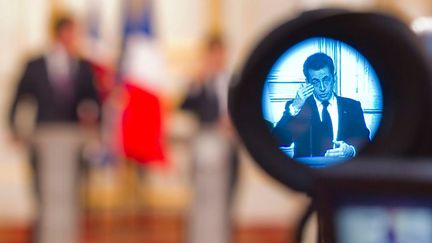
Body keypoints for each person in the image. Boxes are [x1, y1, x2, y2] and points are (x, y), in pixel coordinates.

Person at [9, 15, 100, 243]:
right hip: (44, 140)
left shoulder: (83, 66)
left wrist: (93, 118)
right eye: (70, 33)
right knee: (45, 196)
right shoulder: (35, 65)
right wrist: (15, 129)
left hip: (71, 142)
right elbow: (19, 99)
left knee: (70, 196)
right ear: (59, 34)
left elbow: (93, 101)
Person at [272, 52, 370, 158]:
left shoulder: (353, 107)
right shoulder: (297, 107)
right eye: (315, 82)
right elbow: (278, 140)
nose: (322, 88)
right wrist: (295, 107)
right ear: (307, 82)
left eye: (326, 80)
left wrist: (351, 150)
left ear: (334, 78)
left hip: (344, 171)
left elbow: (365, 141)